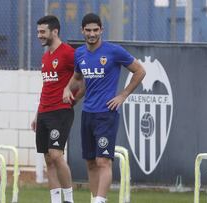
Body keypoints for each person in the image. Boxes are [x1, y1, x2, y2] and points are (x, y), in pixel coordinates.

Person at [63, 13, 146, 203]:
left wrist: (123, 95)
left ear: (101, 30)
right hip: (87, 113)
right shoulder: (80, 54)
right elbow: (77, 78)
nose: (92, 34)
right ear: (82, 31)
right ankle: (96, 199)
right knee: (91, 162)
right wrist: (68, 89)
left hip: (106, 114)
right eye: (88, 30)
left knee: (103, 161)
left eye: (95, 30)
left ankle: (100, 200)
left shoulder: (114, 51)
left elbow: (140, 71)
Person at [31, 15, 84, 203]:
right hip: (44, 111)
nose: (39, 35)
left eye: (42, 32)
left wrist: (74, 99)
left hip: (61, 111)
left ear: (55, 31)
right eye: (38, 32)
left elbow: (83, 79)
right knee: (48, 158)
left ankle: (69, 199)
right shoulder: (46, 57)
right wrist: (37, 114)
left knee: (56, 154)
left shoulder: (69, 53)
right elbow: (46, 87)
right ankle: (55, 200)